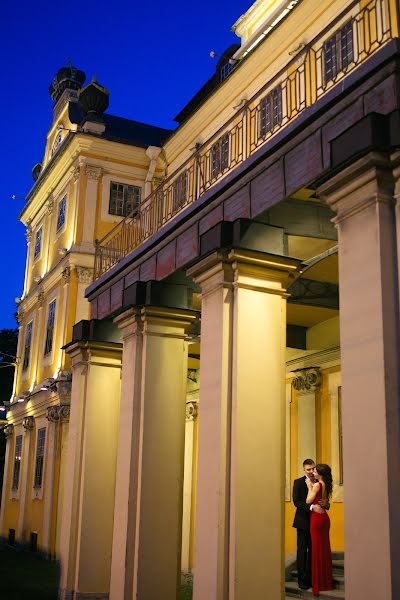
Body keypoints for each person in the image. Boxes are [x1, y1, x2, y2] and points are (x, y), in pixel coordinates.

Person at [292, 459, 327, 590]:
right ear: (303, 470)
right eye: (308, 469)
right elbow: (297, 502)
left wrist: (325, 505)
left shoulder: (319, 481)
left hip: (316, 523)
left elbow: (325, 502)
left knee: (313, 552)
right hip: (303, 523)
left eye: (313, 469)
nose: (311, 472)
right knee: (302, 552)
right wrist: (312, 507)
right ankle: (302, 580)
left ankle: (312, 578)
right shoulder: (298, 482)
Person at [306, 463, 334, 597]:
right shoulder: (327, 485)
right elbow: (324, 502)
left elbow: (308, 500)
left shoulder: (317, 484)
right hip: (325, 519)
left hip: (317, 519)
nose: (313, 472)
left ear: (320, 474)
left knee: (317, 550)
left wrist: (309, 486)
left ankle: (319, 583)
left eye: (315, 471)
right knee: (324, 549)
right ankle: (326, 581)